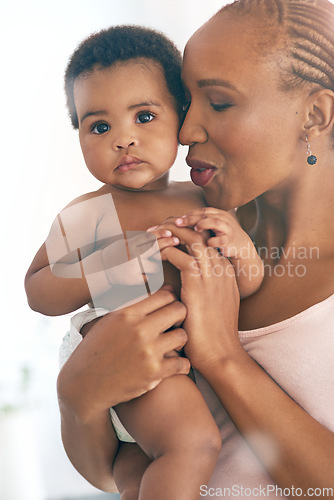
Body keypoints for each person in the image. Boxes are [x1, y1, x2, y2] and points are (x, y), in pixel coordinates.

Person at [56, 0, 334, 497]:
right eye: (185, 102)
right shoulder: (196, 231)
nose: (184, 133)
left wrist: (223, 357)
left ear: (314, 114)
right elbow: (117, 471)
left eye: (219, 103)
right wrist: (77, 399)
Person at [25, 25, 264, 500]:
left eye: (145, 115)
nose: (123, 140)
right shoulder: (91, 211)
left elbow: (248, 287)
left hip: (180, 362)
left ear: (181, 116)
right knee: (192, 444)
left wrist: (241, 249)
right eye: (99, 126)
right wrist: (105, 270)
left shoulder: (205, 198)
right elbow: (37, 290)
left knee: (141, 475)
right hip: (115, 355)